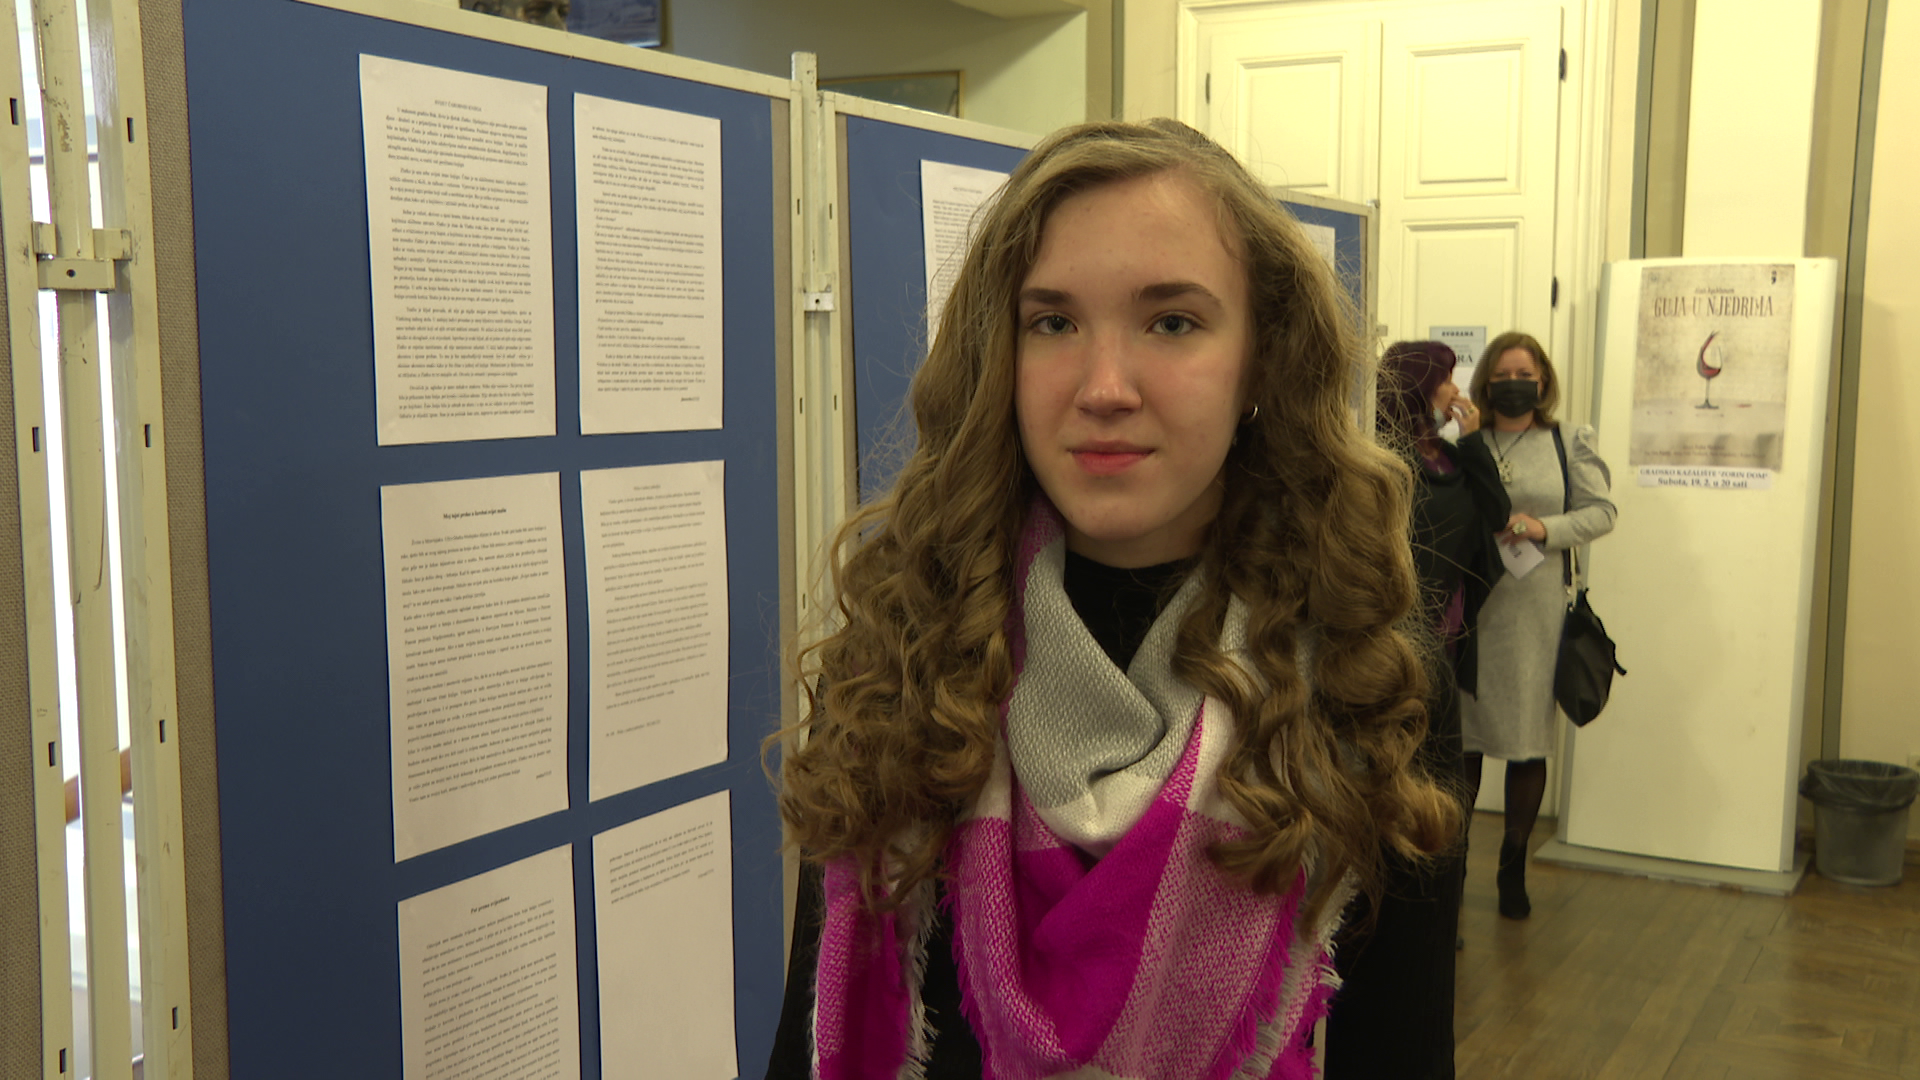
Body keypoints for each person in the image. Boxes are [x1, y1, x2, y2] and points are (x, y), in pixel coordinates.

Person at [765, 118, 1460, 1079]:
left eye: (1172, 322)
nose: (1103, 388)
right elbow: (808, 1032)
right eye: (1053, 323)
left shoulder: (1364, 675)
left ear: (1261, 359)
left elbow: (1402, 1052)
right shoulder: (904, 643)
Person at [1323, 341, 1508, 1079]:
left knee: (1448, 786)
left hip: (1447, 647)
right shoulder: (1378, 461)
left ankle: (1443, 901)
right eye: (1444, 379)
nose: (1453, 390)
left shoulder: (1452, 458)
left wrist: (1476, 438)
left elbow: (1495, 518)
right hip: (1389, 655)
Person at [1458, 331, 1616, 919]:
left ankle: (1512, 866)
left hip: (1535, 607)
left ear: (1542, 380)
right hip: (1476, 604)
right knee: (1466, 741)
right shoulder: (1467, 440)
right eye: (1502, 375)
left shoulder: (1567, 440)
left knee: (1526, 743)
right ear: (1487, 381)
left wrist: (1545, 529)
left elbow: (1602, 513)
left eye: (1524, 374)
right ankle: (1454, 871)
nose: (1514, 384)